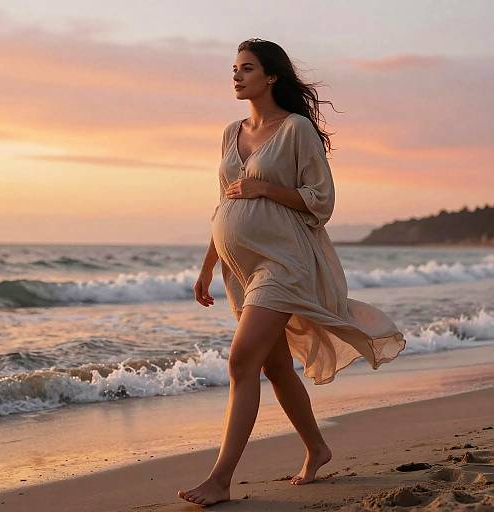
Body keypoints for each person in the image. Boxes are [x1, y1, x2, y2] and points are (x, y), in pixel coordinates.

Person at [178, 38, 406, 507]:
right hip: (240, 268)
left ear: (272, 76)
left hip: (285, 263)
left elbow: (321, 201)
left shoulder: (296, 129)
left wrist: (264, 187)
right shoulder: (230, 132)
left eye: (246, 68)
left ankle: (220, 480)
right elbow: (225, 204)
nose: (236, 76)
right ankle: (318, 448)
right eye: (233, 69)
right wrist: (206, 268)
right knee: (276, 366)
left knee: (241, 361)